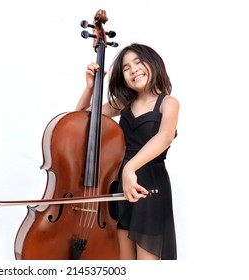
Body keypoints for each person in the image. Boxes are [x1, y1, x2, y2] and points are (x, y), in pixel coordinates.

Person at [76, 43, 179, 260]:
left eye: (138, 62)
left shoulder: (168, 103)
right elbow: (82, 118)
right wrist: (90, 88)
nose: (133, 70)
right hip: (120, 187)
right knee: (124, 262)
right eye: (126, 68)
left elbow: (164, 137)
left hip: (148, 186)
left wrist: (129, 168)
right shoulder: (123, 103)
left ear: (154, 64)